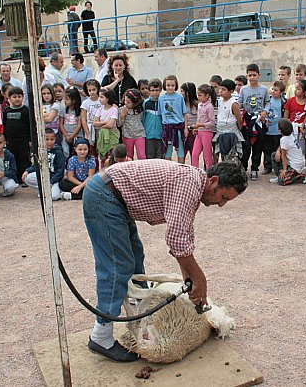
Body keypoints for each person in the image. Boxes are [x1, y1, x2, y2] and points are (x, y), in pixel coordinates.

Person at [83, 159, 247, 362]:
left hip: (115, 197)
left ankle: (141, 317)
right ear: (213, 181)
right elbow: (176, 239)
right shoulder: (188, 183)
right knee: (118, 266)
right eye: (223, 197)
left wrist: (188, 279)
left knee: (134, 257)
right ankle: (101, 337)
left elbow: (184, 235)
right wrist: (199, 279)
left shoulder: (194, 184)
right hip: (105, 195)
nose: (221, 204)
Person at [238, 63, 270, 180]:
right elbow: (240, 104)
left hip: (259, 122)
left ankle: (255, 169)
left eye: (254, 75)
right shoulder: (243, 89)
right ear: (247, 76)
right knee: (245, 147)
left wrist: (264, 112)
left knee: (258, 147)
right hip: (247, 123)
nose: (252, 78)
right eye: (250, 75)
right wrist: (240, 117)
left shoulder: (264, 89)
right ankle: (243, 168)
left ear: (258, 75)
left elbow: (267, 102)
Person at [22, 128, 65, 200]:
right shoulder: (40, 151)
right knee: (27, 178)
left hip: (54, 178)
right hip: (44, 175)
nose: (49, 142)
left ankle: (56, 189)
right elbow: (36, 165)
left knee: (54, 197)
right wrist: (27, 171)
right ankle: (43, 189)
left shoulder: (59, 152)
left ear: (55, 139)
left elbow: (60, 171)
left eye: (51, 139)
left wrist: (52, 182)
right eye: (47, 139)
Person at [269, 119, 306, 186]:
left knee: (282, 181)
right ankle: (279, 175)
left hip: (295, 165)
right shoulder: (291, 136)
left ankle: (302, 176)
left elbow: (284, 155)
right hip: (296, 161)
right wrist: (278, 151)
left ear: (280, 130)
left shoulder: (284, 139)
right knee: (274, 155)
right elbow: (282, 147)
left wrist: (284, 169)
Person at [2, 87, 31, 178]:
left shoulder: (26, 110)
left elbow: (30, 125)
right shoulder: (6, 110)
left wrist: (30, 140)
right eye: (14, 97)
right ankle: (15, 177)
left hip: (24, 140)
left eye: (19, 96)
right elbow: (5, 125)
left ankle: (24, 178)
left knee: (24, 159)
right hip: (11, 140)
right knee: (13, 158)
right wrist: (5, 138)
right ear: (9, 98)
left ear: (23, 97)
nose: (17, 99)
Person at [213, 79, 243, 163]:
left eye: (224, 90)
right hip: (220, 131)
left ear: (231, 91)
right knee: (220, 154)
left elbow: (239, 119)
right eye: (220, 89)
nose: (221, 91)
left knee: (231, 156)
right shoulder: (219, 101)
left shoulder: (234, 104)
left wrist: (238, 130)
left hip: (231, 133)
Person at [159, 75, 188, 164]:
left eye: (172, 85)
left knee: (180, 149)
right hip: (167, 128)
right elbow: (160, 115)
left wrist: (185, 128)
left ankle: (181, 169)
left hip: (178, 127)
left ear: (176, 86)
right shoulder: (161, 98)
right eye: (168, 85)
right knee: (168, 150)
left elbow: (184, 113)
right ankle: (169, 170)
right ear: (165, 86)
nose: (170, 87)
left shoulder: (179, 97)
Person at [191, 84, 217, 170]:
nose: (198, 97)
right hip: (199, 132)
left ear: (207, 96)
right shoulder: (199, 105)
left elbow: (212, 122)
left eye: (200, 95)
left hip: (207, 132)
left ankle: (209, 172)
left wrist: (200, 125)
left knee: (207, 155)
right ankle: (194, 171)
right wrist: (196, 127)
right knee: (194, 153)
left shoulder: (209, 107)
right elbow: (199, 118)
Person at [262, 81, 285, 176]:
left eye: (276, 90)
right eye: (272, 89)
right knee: (267, 149)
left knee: (278, 150)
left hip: (277, 131)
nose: (273, 92)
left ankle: (278, 167)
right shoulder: (268, 100)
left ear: (281, 92)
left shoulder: (283, 102)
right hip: (268, 130)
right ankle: (267, 167)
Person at [118, 89, 146, 160]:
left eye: (128, 102)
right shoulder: (122, 109)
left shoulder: (140, 109)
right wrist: (122, 116)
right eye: (125, 101)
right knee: (129, 156)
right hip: (127, 135)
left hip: (140, 134)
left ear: (135, 103)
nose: (126, 103)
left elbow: (142, 119)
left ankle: (142, 170)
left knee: (141, 156)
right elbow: (118, 124)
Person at [94, 88, 120, 162]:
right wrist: (107, 121)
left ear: (108, 98)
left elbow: (110, 125)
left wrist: (100, 124)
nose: (99, 99)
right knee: (103, 156)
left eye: (102, 97)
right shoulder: (100, 109)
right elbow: (94, 123)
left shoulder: (114, 109)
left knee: (112, 155)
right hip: (102, 134)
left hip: (112, 134)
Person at [142, 79, 164, 159]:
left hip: (161, 135)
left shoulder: (163, 102)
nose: (155, 92)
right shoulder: (146, 103)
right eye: (152, 90)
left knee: (160, 157)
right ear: (149, 90)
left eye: (157, 90)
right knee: (150, 157)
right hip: (148, 135)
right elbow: (143, 118)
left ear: (160, 90)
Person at [60, 88, 84, 158]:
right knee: (66, 152)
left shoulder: (79, 111)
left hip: (76, 135)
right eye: (64, 99)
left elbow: (79, 125)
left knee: (77, 152)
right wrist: (67, 136)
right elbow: (61, 124)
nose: (65, 101)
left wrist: (72, 136)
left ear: (74, 100)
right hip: (66, 135)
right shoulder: (64, 110)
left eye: (67, 99)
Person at [180, 82, 199, 160]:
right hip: (184, 130)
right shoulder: (181, 103)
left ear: (187, 92)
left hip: (193, 130)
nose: (180, 93)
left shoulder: (197, 104)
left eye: (182, 91)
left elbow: (200, 117)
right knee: (182, 152)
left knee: (193, 152)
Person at [81, 79, 102, 144]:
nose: (92, 92)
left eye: (94, 89)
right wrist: (87, 133)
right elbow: (83, 119)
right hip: (90, 128)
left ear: (98, 89)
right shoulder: (85, 103)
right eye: (89, 90)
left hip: (101, 127)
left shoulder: (102, 100)